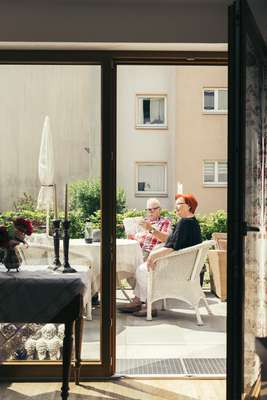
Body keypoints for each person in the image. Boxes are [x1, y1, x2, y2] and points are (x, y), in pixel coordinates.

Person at [119, 193, 202, 316]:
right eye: (176, 204)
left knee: (142, 270)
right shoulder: (191, 222)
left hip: (177, 268)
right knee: (141, 268)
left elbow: (172, 247)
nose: (176, 207)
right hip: (182, 265)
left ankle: (150, 305)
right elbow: (174, 244)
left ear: (189, 206)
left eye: (179, 204)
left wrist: (153, 256)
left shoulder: (185, 223)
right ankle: (138, 302)